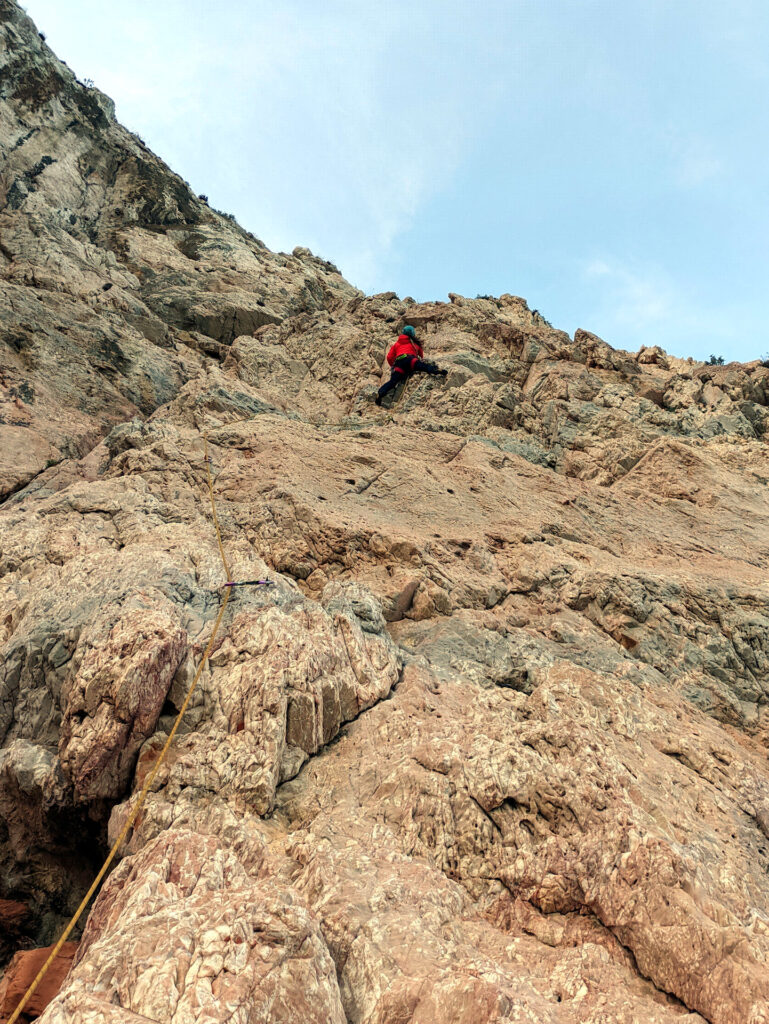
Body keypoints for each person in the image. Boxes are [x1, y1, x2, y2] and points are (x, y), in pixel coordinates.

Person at [375, 325, 447, 406]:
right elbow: (421, 356)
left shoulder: (397, 344)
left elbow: (389, 357)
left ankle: (380, 393)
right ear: (413, 333)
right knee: (424, 367)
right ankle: (435, 370)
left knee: (393, 382)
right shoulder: (415, 344)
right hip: (411, 360)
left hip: (399, 364)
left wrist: (393, 366)